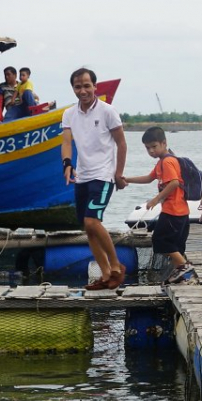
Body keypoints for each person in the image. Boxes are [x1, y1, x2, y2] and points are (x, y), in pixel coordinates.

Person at [61, 67, 128, 290]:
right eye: (78, 87)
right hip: (83, 176)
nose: (83, 91)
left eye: (87, 86)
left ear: (95, 87)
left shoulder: (108, 111)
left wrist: (118, 173)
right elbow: (67, 143)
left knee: (92, 221)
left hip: (103, 175)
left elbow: (121, 143)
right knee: (88, 227)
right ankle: (106, 274)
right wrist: (67, 164)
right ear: (73, 89)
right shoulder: (69, 114)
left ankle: (117, 267)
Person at [123, 126, 193, 285]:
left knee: (160, 240)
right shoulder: (162, 163)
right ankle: (180, 277)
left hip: (173, 211)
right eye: (148, 148)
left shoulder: (168, 161)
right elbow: (149, 178)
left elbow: (174, 183)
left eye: (154, 147)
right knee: (176, 245)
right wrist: (127, 179)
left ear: (164, 143)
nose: (151, 151)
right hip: (181, 212)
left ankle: (183, 266)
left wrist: (156, 199)